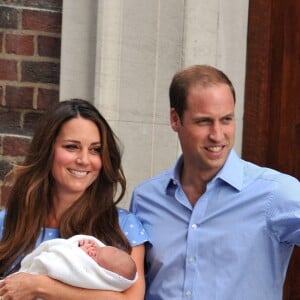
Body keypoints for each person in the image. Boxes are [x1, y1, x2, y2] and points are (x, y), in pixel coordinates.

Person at [130, 64, 300, 300]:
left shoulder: (275, 193)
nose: (218, 135)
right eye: (204, 121)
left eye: (226, 119)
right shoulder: (146, 198)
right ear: (175, 119)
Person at [0, 98, 149, 299]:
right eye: (72, 147)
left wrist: (39, 286)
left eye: (95, 150)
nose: (84, 160)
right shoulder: (7, 223)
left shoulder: (122, 227)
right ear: (47, 150)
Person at [18, 234, 137, 291]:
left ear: (103, 274)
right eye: (99, 248)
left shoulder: (91, 279)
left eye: (95, 254)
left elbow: (67, 266)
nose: (93, 248)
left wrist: (77, 253)